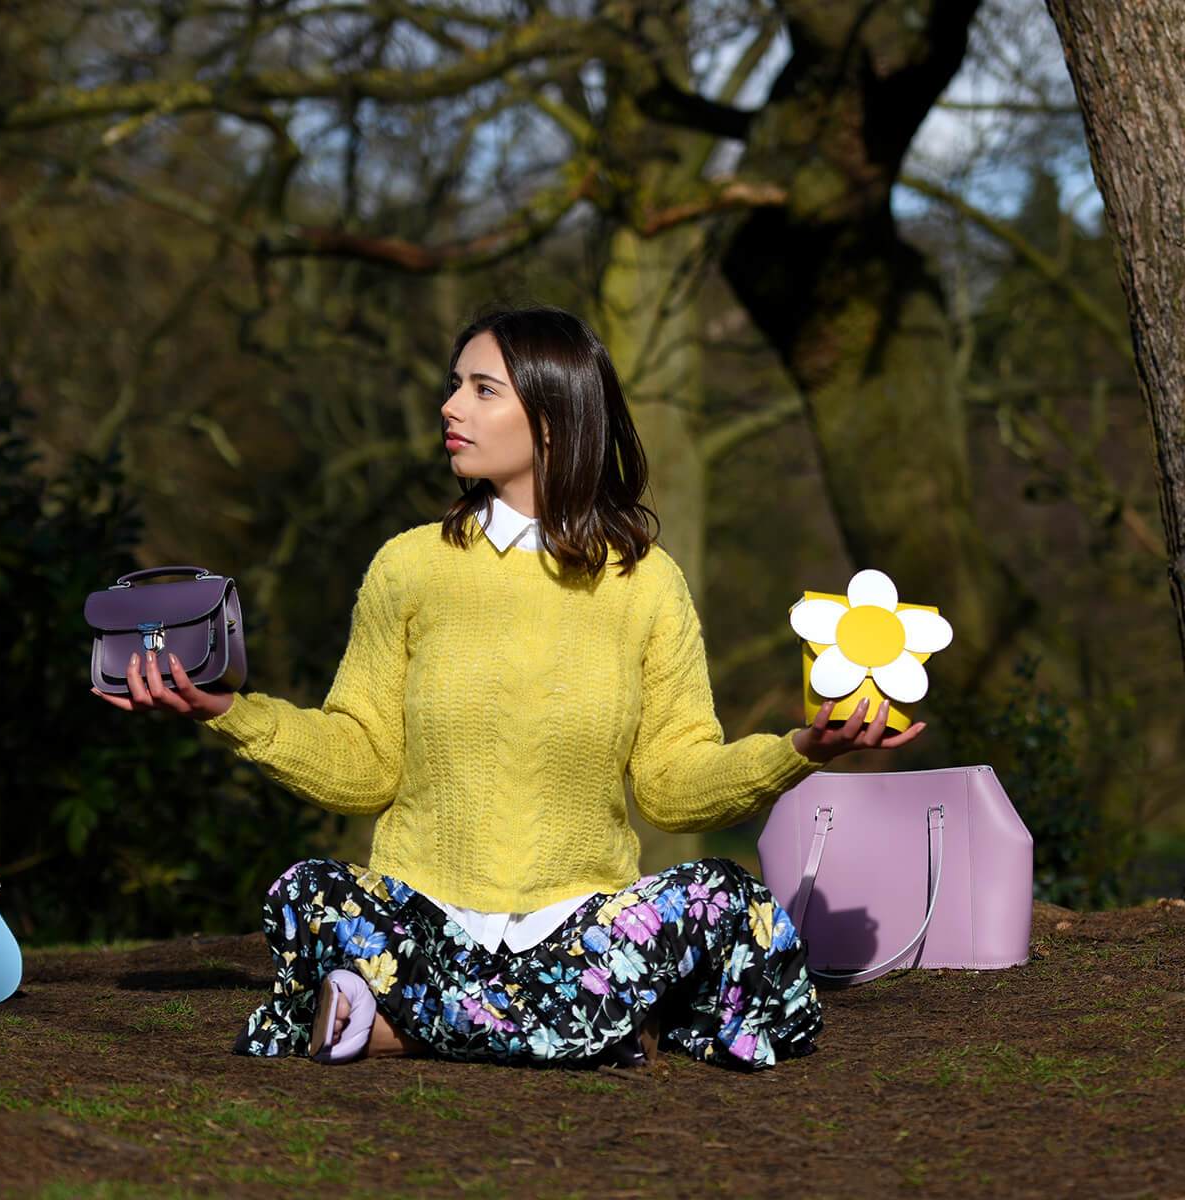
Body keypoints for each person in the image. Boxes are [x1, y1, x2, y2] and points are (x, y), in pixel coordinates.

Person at [91, 305, 925, 1069]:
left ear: (556, 418)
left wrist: (802, 749)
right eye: (455, 385)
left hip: (584, 932)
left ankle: (394, 1027)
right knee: (308, 892)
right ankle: (588, 1029)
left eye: (481, 389)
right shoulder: (409, 567)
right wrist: (230, 713)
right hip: (423, 925)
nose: (451, 407)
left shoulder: (647, 584)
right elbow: (362, 765)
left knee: (729, 902)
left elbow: (674, 787)